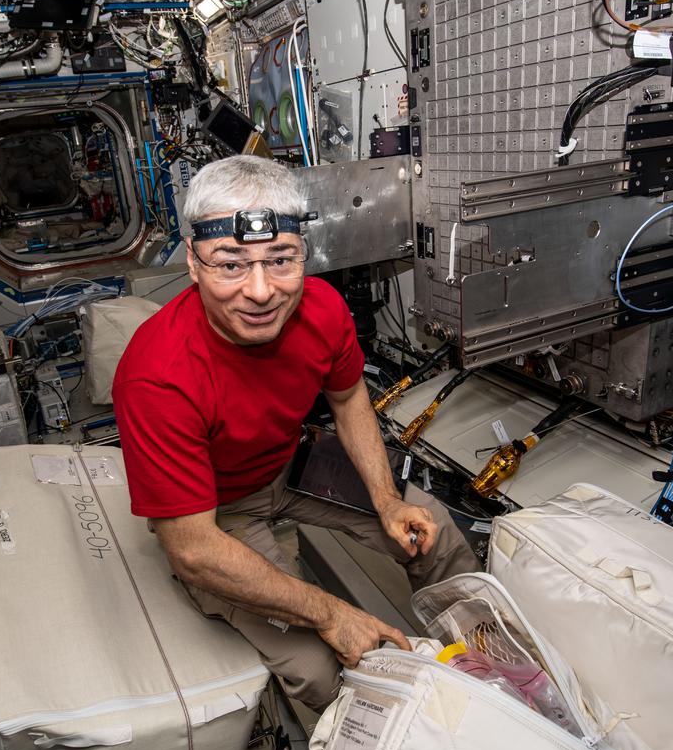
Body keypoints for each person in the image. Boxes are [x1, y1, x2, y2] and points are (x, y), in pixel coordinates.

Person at [113, 154, 477, 711]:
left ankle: (489, 665)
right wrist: (334, 614)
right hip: (218, 512)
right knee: (320, 667)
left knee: (432, 534)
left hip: (291, 462)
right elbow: (191, 548)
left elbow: (349, 394)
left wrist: (384, 500)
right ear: (192, 262)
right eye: (230, 263)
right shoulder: (156, 374)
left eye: (280, 260)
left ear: (304, 253)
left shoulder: (324, 309)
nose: (260, 292)